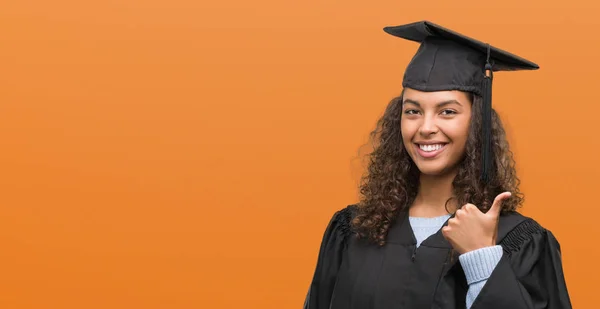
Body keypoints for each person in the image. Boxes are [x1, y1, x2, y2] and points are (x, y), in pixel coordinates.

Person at [303, 20, 572, 309]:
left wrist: (482, 257)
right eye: (413, 111)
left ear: (476, 123)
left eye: (447, 111)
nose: (426, 127)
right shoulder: (352, 230)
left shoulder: (519, 240)